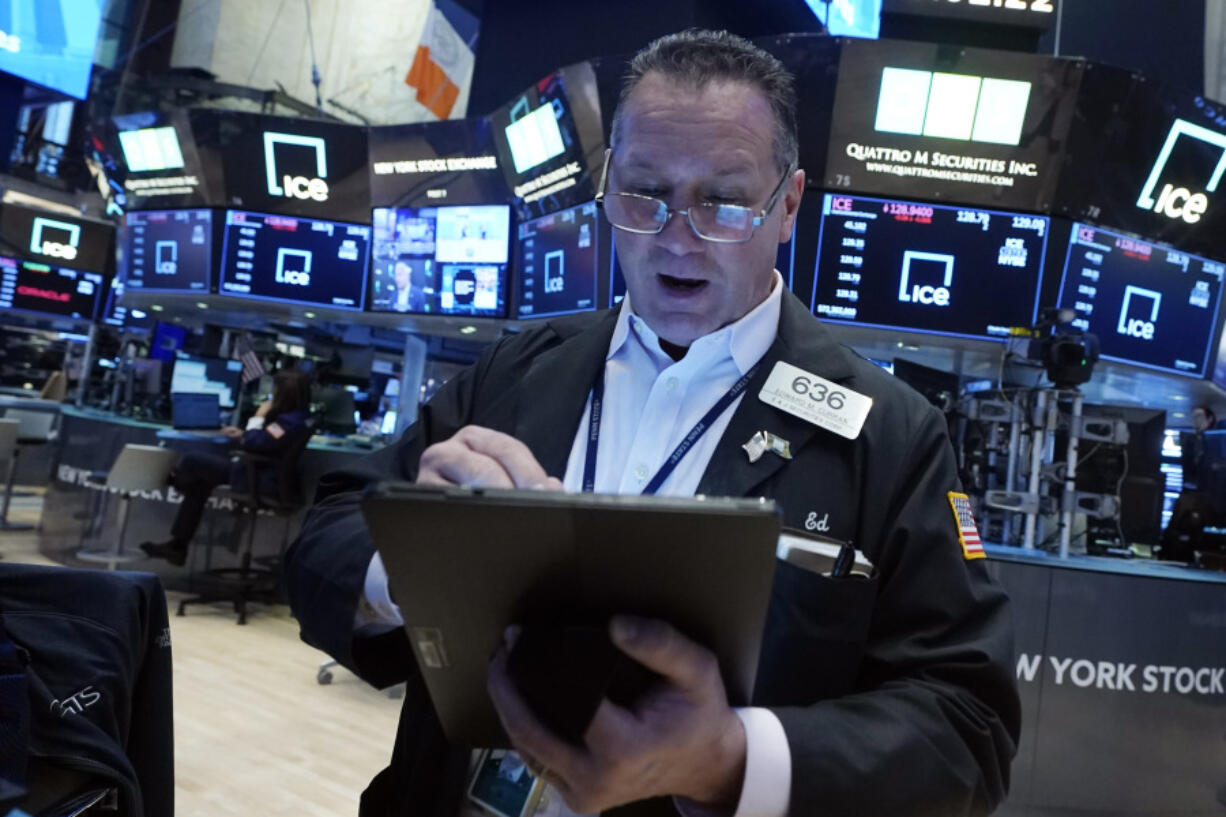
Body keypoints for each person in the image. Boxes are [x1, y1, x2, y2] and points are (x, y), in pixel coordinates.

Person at [286, 29, 1019, 817]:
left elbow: (966, 724)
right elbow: (325, 532)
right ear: (606, 187)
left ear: (789, 207)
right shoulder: (518, 369)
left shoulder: (892, 437)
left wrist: (731, 760)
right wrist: (417, 564)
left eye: (724, 201)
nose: (677, 237)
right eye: (646, 192)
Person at [141, 369, 313, 567]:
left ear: (284, 393)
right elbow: (265, 440)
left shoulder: (286, 422)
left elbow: (252, 443)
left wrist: (258, 416)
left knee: (192, 460)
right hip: (260, 474)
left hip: (256, 478)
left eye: (275, 391)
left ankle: (177, 482)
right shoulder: (300, 417)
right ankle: (177, 546)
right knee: (199, 485)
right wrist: (244, 433)